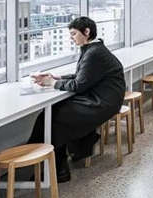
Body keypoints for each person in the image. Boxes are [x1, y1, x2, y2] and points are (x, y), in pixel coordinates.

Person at [29, 16, 126, 182]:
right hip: (103, 97)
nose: (71, 38)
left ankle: (56, 167)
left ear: (86, 32)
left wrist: (52, 83)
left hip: (104, 103)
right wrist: (57, 77)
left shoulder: (93, 53)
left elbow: (78, 85)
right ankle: (54, 162)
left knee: (55, 117)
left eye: (74, 34)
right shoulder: (93, 49)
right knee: (55, 112)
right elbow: (82, 76)